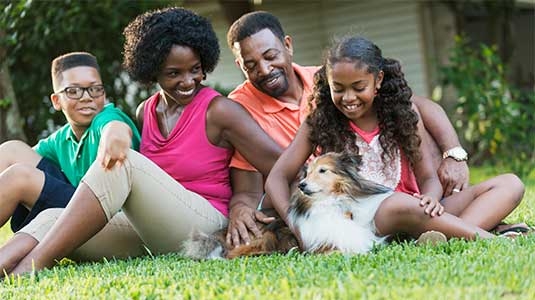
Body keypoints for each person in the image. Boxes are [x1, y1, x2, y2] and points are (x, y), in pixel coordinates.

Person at [4, 7, 282, 276]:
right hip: (153, 228)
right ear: (152, 71)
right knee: (52, 216)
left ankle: (31, 268)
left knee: (126, 162)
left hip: (205, 225)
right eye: (174, 73)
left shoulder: (219, 110)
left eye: (195, 70)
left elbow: (279, 164)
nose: (188, 81)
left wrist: (254, 208)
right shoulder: (145, 112)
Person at [224, 11, 471, 246]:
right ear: (239, 65)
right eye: (251, 65)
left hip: (390, 179)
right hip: (336, 198)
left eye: (270, 56)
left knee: (508, 184)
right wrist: (284, 221)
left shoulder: (332, 74)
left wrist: (453, 153)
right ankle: (469, 231)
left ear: (287, 45)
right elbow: (257, 181)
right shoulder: (239, 111)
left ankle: (446, 227)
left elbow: (415, 105)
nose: (264, 69)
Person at [264, 36, 525, 242]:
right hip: (365, 216)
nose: (349, 98)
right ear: (327, 84)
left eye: (358, 87)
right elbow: (277, 177)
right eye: (338, 89)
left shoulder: (402, 113)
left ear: (377, 80)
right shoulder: (318, 121)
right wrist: (293, 220)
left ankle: (439, 235)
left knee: (510, 184)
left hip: (416, 207)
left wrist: (432, 198)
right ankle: (490, 239)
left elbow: (427, 178)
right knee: (398, 203)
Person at [0, 52, 144, 271]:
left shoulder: (105, 119)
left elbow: (113, 126)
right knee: (11, 150)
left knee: (20, 177)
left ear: (103, 94)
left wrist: (116, 134)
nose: (86, 97)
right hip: (76, 208)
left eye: (95, 89)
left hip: (111, 218)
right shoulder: (63, 138)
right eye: (73, 91)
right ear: (57, 100)